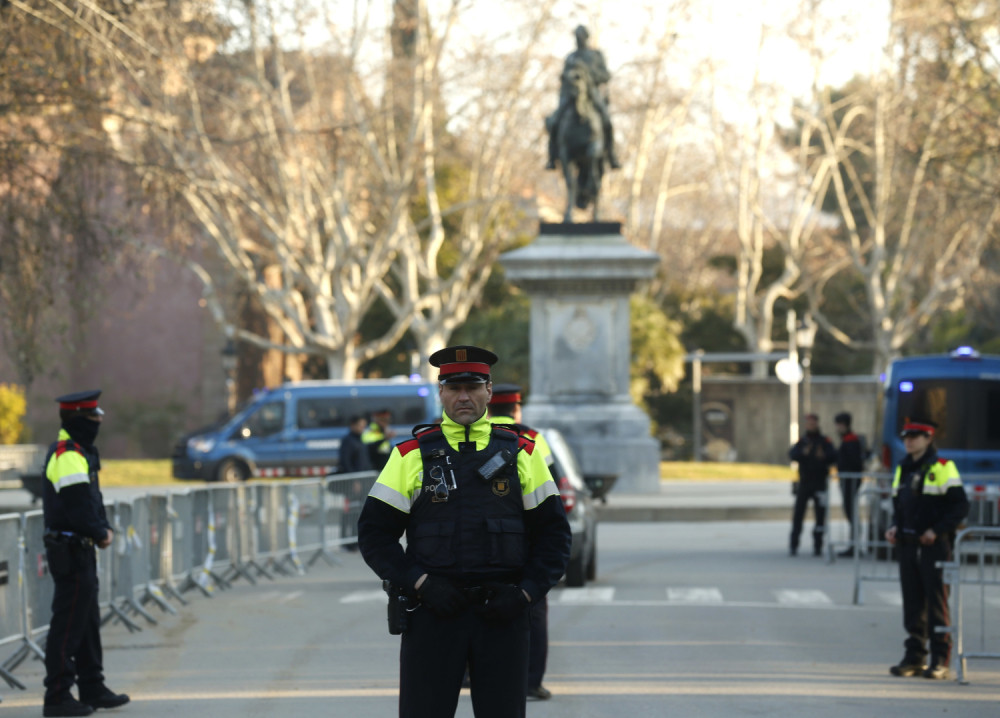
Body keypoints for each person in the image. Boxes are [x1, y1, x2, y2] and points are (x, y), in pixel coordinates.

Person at [357, 346, 571, 718]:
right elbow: (375, 535)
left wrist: (525, 595)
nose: (463, 397)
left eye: (473, 387)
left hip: (502, 616)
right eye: (454, 388)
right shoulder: (410, 455)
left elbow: (553, 536)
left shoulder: (523, 453)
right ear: (441, 393)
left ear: (489, 391)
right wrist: (420, 583)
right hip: (434, 615)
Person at [41, 390, 129, 717]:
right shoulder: (66, 454)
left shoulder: (80, 452)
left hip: (81, 548)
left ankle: (92, 685)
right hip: (70, 549)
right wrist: (99, 531)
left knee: (87, 622)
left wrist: (100, 527)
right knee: (68, 624)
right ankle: (57, 696)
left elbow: (92, 500)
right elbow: (78, 506)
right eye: (94, 417)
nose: (100, 421)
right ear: (79, 419)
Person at [487, 383, 555, 701]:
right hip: (523, 540)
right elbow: (548, 484)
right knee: (533, 610)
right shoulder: (532, 439)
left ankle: (467, 672)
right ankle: (530, 681)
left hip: (477, 540)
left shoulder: (468, 434)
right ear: (516, 409)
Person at [885, 419, 968, 680]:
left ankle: (940, 659)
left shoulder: (943, 467)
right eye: (907, 436)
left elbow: (960, 506)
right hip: (908, 545)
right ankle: (914, 657)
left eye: (916, 436)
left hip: (934, 546)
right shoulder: (903, 468)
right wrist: (894, 527)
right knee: (912, 604)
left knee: (936, 604)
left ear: (929, 438)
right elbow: (900, 506)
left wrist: (937, 530)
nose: (909, 440)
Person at [546, 25, 621, 171]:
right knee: (554, 122)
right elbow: (563, 76)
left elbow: (605, 76)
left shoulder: (595, 55)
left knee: (606, 120)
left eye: (580, 37)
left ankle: (612, 156)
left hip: (592, 94)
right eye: (576, 37)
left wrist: (589, 75)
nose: (578, 40)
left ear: (586, 38)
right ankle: (552, 158)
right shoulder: (571, 56)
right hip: (571, 95)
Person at [788, 413, 836, 556]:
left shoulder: (824, 440)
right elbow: (792, 454)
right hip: (804, 482)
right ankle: (794, 544)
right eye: (809, 423)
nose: (811, 425)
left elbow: (833, 456)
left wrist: (824, 456)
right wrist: (803, 453)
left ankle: (818, 545)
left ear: (817, 423)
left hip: (820, 483)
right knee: (798, 515)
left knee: (820, 516)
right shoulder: (803, 441)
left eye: (813, 423)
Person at [834, 412, 865, 557]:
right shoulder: (848, 439)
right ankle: (853, 545)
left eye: (839, 424)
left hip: (850, 481)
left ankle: (854, 545)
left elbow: (853, 462)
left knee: (851, 512)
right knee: (850, 511)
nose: (837, 428)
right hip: (847, 481)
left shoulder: (851, 441)